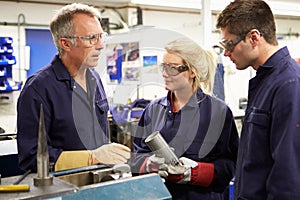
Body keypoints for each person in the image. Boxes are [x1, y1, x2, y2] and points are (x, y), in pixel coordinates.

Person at [17, 3, 130, 172]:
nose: (100, 45)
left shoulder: (95, 79)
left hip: (100, 181)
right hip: (63, 189)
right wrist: (91, 158)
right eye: (91, 38)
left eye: (101, 36)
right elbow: (32, 158)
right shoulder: (38, 89)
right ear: (66, 44)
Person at [131, 37, 239, 200]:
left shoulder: (218, 112)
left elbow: (230, 165)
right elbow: (136, 155)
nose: (165, 74)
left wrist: (195, 172)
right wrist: (148, 164)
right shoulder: (154, 110)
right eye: (163, 67)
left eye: (173, 68)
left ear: (192, 71)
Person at [216, 0, 300, 199]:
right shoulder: (263, 81)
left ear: (254, 37)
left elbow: (289, 174)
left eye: (229, 44)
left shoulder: (289, 84)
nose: (226, 53)